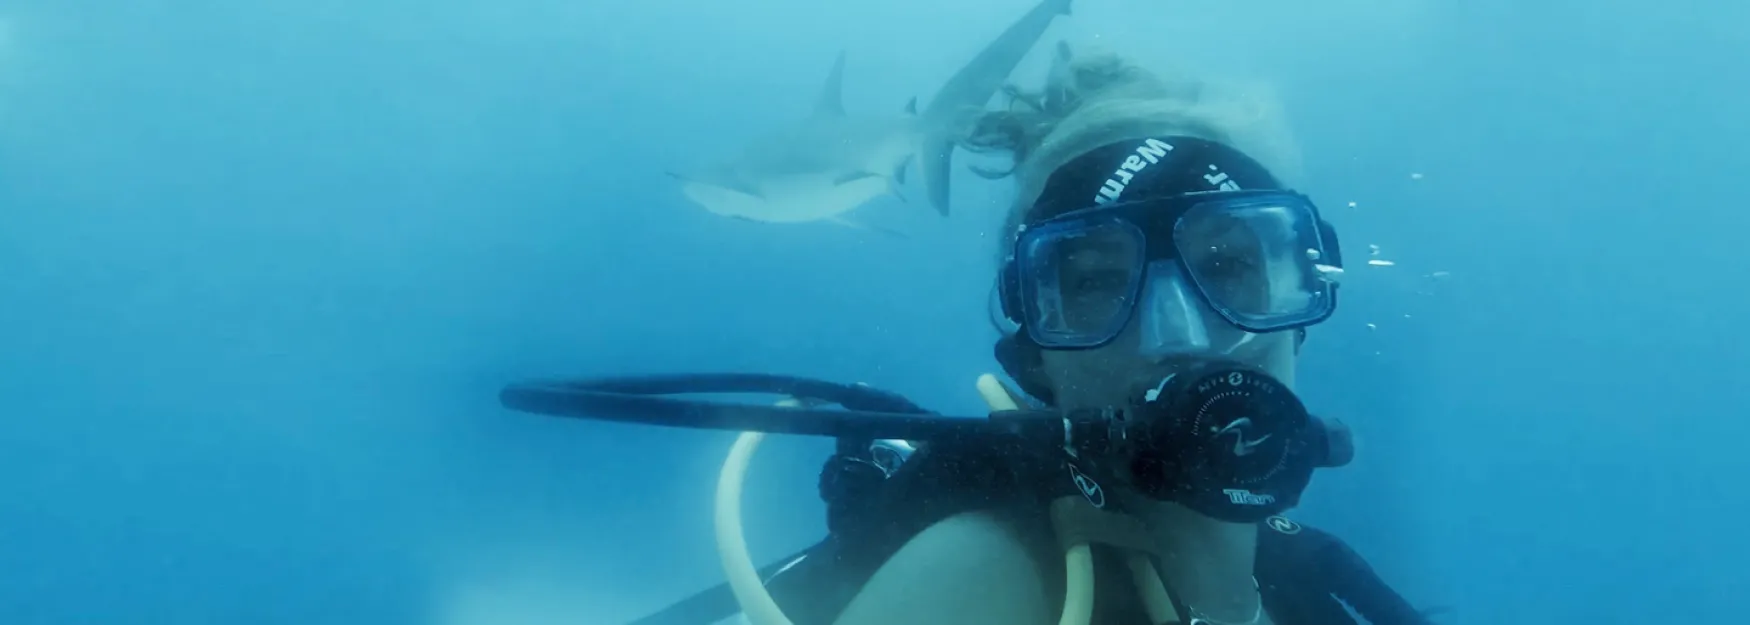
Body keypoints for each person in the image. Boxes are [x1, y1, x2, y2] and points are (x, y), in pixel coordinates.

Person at [501, 43, 1435, 625]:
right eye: (1095, 282)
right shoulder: (983, 574)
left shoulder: (1306, 580)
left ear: (1312, 288)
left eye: (1233, 266)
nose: (1180, 334)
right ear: (1033, 348)